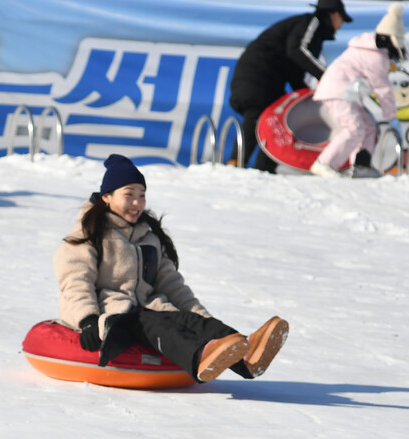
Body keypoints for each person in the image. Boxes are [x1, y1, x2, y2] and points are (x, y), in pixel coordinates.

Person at [54, 154, 289, 384]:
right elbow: (75, 281)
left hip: (148, 308)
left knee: (187, 319)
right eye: (129, 195)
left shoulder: (149, 237)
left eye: (142, 195)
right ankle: (200, 356)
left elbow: (173, 285)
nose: (137, 203)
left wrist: (202, 319)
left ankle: (247, 354)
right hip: (115, 315)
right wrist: (87, 320)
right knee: (155, 323)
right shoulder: (89, 233)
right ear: (107, 196)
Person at [229, 0, 353, 173]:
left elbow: (294, 68)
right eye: (342, 19)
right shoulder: (313, 23)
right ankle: (235, 163)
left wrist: (307, 93)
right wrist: (327, 76)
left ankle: (264, 169)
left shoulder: (313, 33)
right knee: (257, 112)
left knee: (271, 121)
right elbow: (297, 50)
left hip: (267, 76)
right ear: (333, 14)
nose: (340, 26)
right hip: (257, 73)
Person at [309, 4, 406, 179]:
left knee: (368, 126)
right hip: (338, 91)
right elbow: (382, 90)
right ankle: (324, 163)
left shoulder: (368, 48)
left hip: (343, 92)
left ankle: (361, 165)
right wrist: (392, 117)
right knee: (354, 128)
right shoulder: (376, 57)